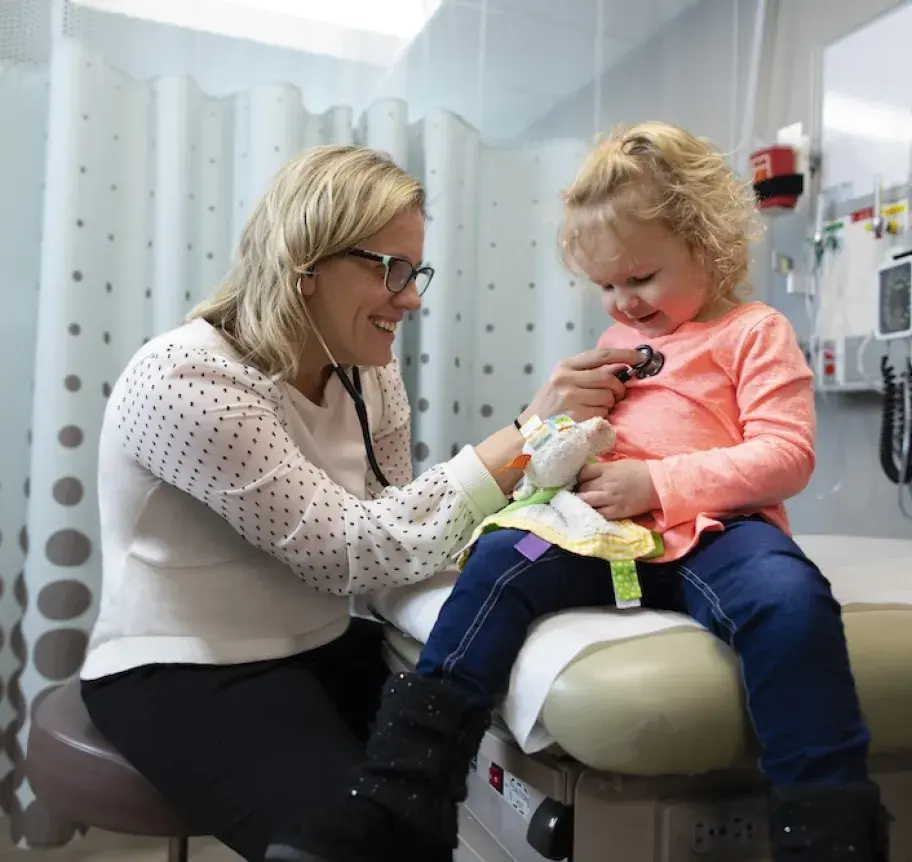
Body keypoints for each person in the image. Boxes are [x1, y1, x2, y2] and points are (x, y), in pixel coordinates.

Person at [270, 124, 890, 862]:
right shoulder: (615, 350)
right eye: (606, 286)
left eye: (641, 279)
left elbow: (787, 456)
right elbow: (565, 448)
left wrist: (656, 481)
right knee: (502, 558)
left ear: (709, 245)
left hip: (722, 532)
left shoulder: (754, 333)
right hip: (601, 536)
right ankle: (401, 798)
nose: (623, 303)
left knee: (791, 600)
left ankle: (827, 829)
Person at [78, 144, 644, 862]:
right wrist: (529, 434)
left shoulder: (366, 374)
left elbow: (401, 524)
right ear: (305, 262)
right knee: (375, 844)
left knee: (449, 769)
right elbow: (352, 552)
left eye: (416, 271)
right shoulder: (187, 378)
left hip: (314, 645)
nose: (411, 298)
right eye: (392, 270)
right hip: (182, 667)